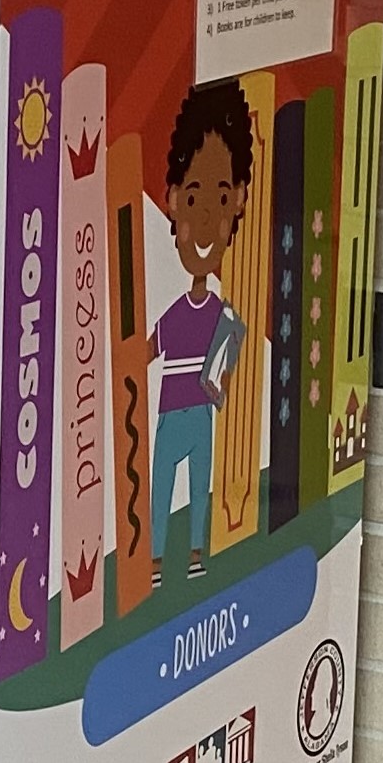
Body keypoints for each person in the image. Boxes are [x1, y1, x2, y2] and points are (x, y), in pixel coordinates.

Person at [150, 80, 255, 586]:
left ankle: (194, 553)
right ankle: (154, 558)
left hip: (194, 409)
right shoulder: (174, 309)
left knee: (196, 487)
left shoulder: (222, 311)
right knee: (163, 483)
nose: (208, 217)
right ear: (171, 200)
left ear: (238, 200)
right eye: (194, 197)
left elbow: (230, 351)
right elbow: (146, 350)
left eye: (220, 196)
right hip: (172, 409)